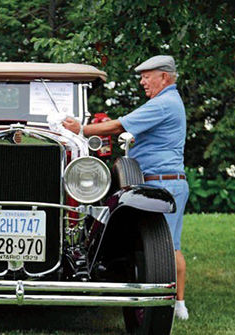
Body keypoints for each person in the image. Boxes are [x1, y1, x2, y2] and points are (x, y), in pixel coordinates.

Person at [63, 55, 189, 320]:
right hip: (156, 181)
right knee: (164, 245)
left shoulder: (164, 104)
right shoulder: (165, 102)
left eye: (147, 76)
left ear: (164, 77)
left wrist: (81, 129)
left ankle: (177, 305)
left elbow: (121, 124)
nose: (142, 81)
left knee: (168, 246)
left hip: (162, 182)